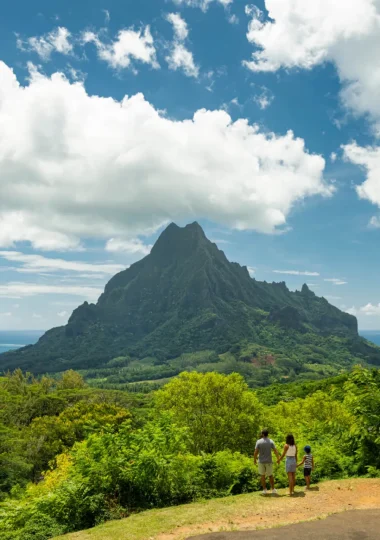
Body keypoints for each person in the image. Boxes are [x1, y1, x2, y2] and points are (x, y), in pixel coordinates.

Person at [254, 428, 280, 495]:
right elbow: (275, 450)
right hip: (269, 461)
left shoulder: (258, 441)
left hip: (261, 461)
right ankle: (273, 489)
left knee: (262, 475)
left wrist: (254, 459)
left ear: (262, 434)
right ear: (267, 434)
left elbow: (256, 452)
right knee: (270, 475)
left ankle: (264, 490)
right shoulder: (271, 441)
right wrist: (278, 459)